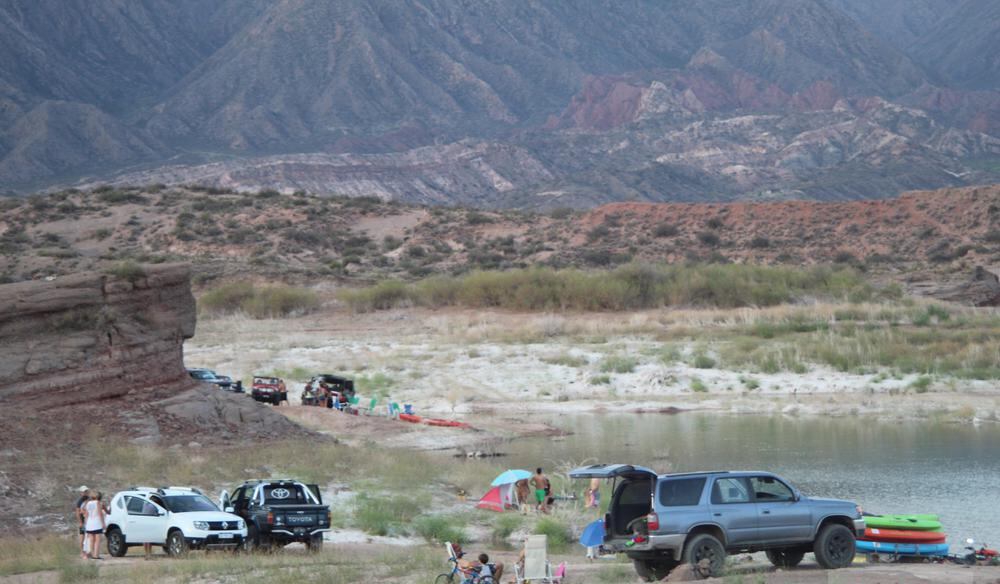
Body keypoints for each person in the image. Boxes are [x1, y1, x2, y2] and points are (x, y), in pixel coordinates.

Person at [81, 490, 105, 559]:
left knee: (91, 540)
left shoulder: (88, 503)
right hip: (97, 523)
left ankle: (92, 554)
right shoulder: (97, 503)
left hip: (89, 523)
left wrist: (86, 523)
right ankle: (96, 555)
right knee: (97, 540)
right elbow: (100, 514)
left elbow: (86, 514)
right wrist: (103, 523)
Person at [74, 486, 89, 556]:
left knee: (88, 537)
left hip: (89, 521)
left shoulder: (89, 499)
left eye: (86, 491)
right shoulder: (79, 501)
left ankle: (88, 552)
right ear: (81, 493)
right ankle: (82, 552)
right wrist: (80, 522)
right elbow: (77, 512)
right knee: (82, 536)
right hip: (83, 522)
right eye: (84, 491)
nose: (85, 492)